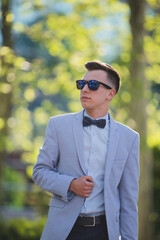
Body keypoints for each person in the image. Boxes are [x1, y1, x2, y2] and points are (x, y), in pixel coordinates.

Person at [32, 60, 140, 240]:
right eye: (81, 84)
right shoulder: (58, 126)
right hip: (63, 230)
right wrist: (70, 184)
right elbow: (39, 172)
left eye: (93, 85)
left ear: (110, 94)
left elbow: (128, 199)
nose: (84, 89)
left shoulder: (129, 138)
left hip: (105, 232)